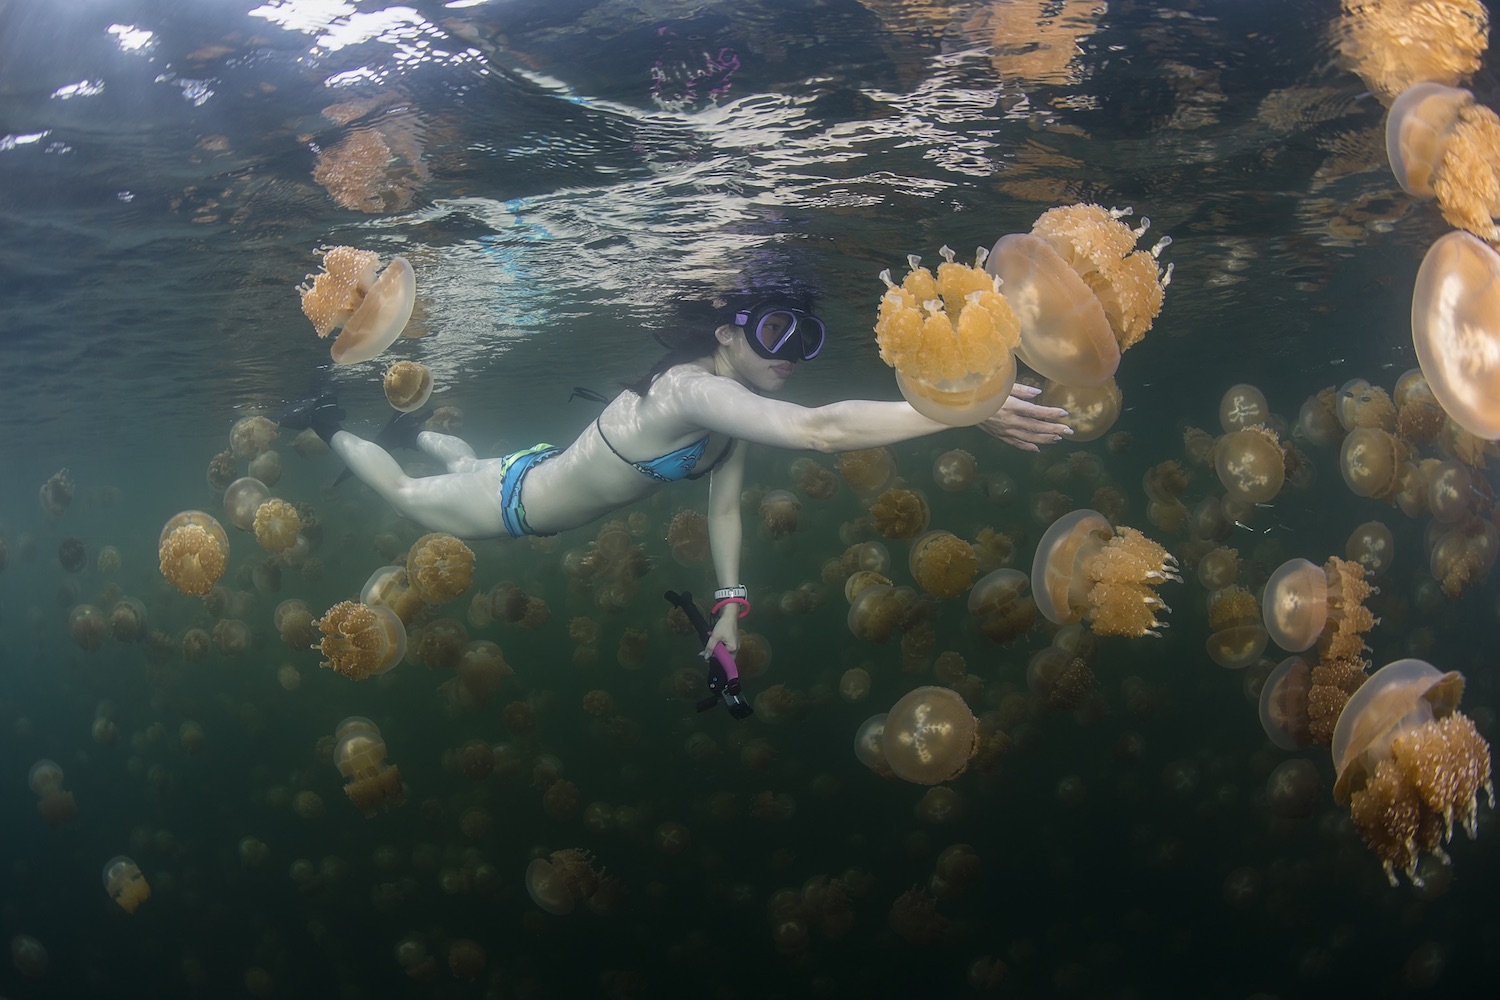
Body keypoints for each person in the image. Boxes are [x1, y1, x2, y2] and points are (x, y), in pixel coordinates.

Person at [282, 296, 1072, 656]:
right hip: (513, 504)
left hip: (535, 470)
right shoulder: (692, 388)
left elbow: (725, 511)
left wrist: (730, 603)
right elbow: (820, 429)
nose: (786, 357)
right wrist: (968, 406)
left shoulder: (728, 412)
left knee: (467, 461)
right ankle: (326, 417)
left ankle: (418, 432)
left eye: (804, 342)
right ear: (726, 334)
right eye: (770, 332)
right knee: (406, 498)